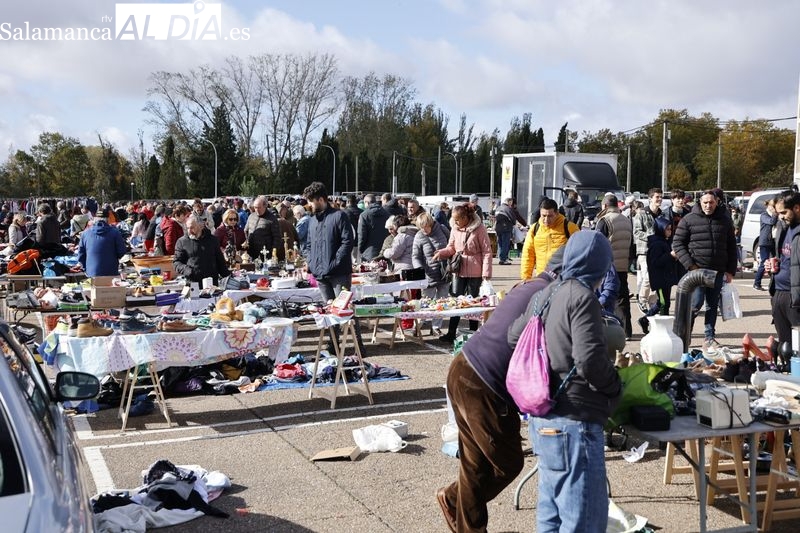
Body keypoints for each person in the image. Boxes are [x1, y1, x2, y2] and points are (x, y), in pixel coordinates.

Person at [436, 253, 564, 532]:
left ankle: (469, 523)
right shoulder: (552, 295)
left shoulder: (528, 286)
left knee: (474, 464)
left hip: (463, 368)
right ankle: (454, 499)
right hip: (482, 383)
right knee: (507, 462)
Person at [512, 230, 622, 532]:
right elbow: (589, 360)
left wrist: (549, 357)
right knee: (582, 520)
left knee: (551, 515)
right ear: (600, 265)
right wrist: (615, 386)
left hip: (543, 418)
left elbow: (513, 335)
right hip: (575, 422)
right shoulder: (582, 296)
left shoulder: (546, 293)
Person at [672, 189, 737, 353]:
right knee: (694, 305)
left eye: (711, 202)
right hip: (697, 271)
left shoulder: (724, 220)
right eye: (705, 202)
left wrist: (730, 270)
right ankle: (685, 336)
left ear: (717, 203)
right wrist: (691, 266)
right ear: (700, 203)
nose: (708, 205)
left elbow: (731, 246)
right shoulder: (689, 219)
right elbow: (678, 244)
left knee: (712, 306)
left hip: (718, 271)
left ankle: (709, 337)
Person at [432, 203, 492, 343]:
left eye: (457, 219)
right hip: (458, 270)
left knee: (473, 303)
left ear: (466, 217)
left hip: (475, 271)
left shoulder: (480, 228)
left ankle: (473, 334)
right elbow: (451, 247)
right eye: (453, 219)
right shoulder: (454, 228)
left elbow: (487, 251)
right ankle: (451, 333)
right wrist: (442, 253)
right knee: (456, 302)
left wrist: (486, 272)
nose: (455, 222)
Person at [595, 193, 634, 338]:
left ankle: (611, 329)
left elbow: (598, 243)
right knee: (623, 298)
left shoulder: (604, 221)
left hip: (608, 266)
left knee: (609, 298)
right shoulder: (626, 220)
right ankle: (627, 330)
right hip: (623, 264)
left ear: (604, 206)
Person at [770, 191, 800, 370]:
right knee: (785, 346)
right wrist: (773, 264)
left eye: (783, 213)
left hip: (795, 296)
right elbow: (784, 256)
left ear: (797, 208)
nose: (780, 217)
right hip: (778, 292)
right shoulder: (783, 227)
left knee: (796, 347)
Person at [520, 197, 579, 279]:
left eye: (550, 216)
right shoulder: (534, 229)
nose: (546, 219)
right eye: (543, 216)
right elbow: (528, 254)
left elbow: (580, 253)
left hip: (563, 278)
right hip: (542, 277)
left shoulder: (570, 228)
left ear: (557, 213)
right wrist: (525, 278)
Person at [412, 212, 451, 336]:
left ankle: (436, 327)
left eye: (425, 227)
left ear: (430, 223)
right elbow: (415, 256)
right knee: (425, 302)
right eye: (421, 228)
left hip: (444, 272)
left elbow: (451, 246)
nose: (424, 230)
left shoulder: (443, 230)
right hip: (428, 274)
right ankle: (418, 324)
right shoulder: (419, 236)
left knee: (442, 302)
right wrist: (419, 269)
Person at [640, 217, 679, 334]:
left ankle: (645, 320)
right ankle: (664, 328)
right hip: (660, 279)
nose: (670, 232)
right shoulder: (657, 244)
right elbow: (656, 262)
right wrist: (671, 255)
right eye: (667, 229)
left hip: (665, 278)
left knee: (663, 302)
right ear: (661, 229)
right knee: (663, 303)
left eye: (671, 229)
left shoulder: (663, 241)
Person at [173, 215, 230, 285]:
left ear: (201, 226)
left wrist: (228, 277)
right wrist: (188, 270)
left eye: (192, 228)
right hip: (192, 283)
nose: (189, 231)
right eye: (187, 228)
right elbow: (176, 263)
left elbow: (220, 262)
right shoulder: (182, 241)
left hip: (211, 283)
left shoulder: (213, 240)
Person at [633, 188, 663, 313]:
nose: (659, 199)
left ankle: (652, 303)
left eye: (661, 197)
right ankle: (642, 298)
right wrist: (652, 236)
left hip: (659, 251)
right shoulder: (641, 214)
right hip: (644, 251)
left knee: (657, 279)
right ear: (650, 198)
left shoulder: (663, 214)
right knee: (648, 276)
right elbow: (636, 232)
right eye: (657, 197)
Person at [77, 208, 127, 277]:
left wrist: (86, 268)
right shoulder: (115, 232)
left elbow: (80, 255)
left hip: (91, 273)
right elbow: (122, 251)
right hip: (111, 272)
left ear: (95, 218)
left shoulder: (85, 233)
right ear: (108, 219)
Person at [244, 195, 284, 261]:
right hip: (251, 253)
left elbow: (277, 238)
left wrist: (272, 253)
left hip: (266, 254)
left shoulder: (272, 219)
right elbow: (246, 230)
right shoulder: (251, 216)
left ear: (265, 206)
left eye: (259, 207)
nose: (257, 210)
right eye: (255, 207)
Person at [753, 196, 778, 291]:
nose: (775, 208)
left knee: (775, 262)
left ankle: (774, 283)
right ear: (769, 206)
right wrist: (775, 214)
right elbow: (771, 222)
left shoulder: (774, 215)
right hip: (765, 242)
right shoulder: (764, 215)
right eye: (773, 206)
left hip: (773, 241)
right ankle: (757, 283)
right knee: (764, 262)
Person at [494, 197, 527, 265]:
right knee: (505, 244)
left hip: (498, 228)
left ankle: (501, 258)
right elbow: (513, 218)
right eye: (511, 202)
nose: (511, 204)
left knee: (500, 244)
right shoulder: (508, 208)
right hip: (506, 228)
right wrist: (515, 224)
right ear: (509, 202)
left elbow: (495, 217)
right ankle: (503, 259)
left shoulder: (498, 208)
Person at [358, 194, 390, 261]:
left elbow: (361, 235)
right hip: (385, 251)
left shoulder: (364, 215)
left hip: (369, 252)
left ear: (367, 203)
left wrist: (360, 249)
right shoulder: (387, 214)